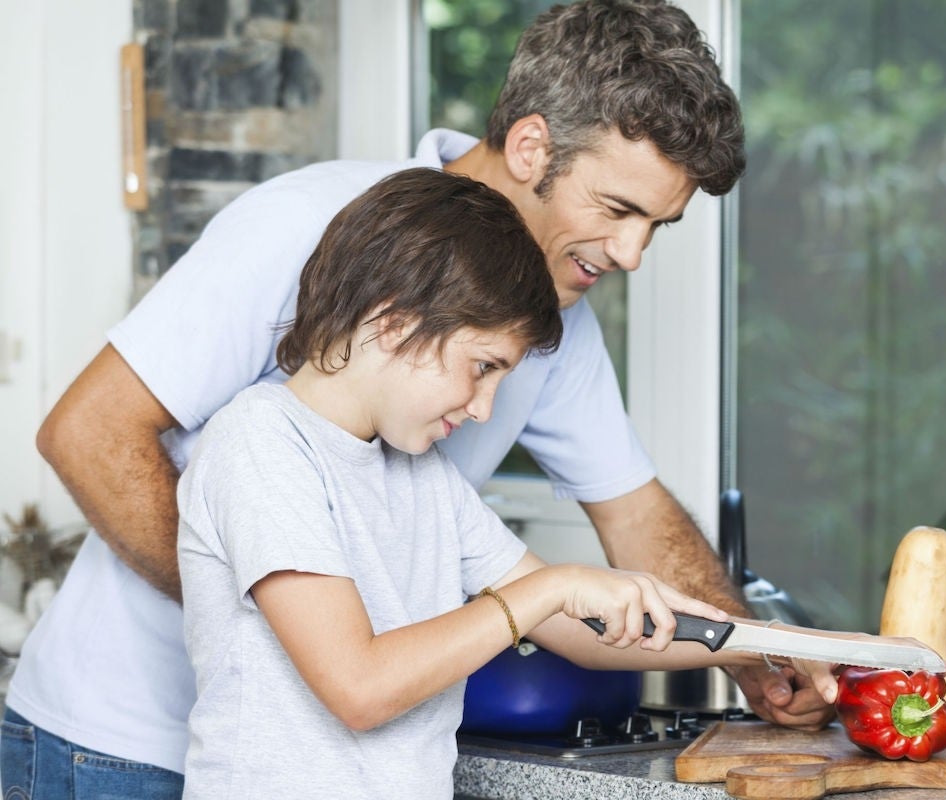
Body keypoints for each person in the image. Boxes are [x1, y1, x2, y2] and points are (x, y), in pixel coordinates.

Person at [4, 1, 830, 796]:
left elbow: (635, 521)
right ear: (533, 147)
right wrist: (300, 623)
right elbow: (89, 433)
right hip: (118, 742)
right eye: (618, 209)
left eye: (659, 225)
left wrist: (756, 653)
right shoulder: (315, 225)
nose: (632, 254)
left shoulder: (549, 327)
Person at [177, 167, 815, 799]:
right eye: (482, 368)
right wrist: (552, 588)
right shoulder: (260, 443)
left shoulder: (424, 475)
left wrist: (771, 643)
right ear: (394, 323)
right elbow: (359, 688)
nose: (483, 409)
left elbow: (577, 634)